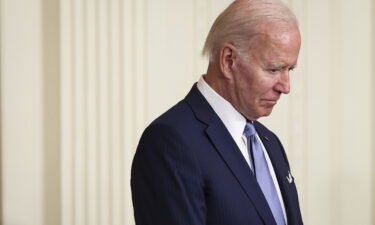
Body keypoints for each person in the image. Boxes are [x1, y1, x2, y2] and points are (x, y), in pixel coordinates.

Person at [131, 0, 303, 224]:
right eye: (274, 69)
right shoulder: (169, 143)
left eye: (289, 69)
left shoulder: (269, 142)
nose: (285, 87)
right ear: (228, 60)